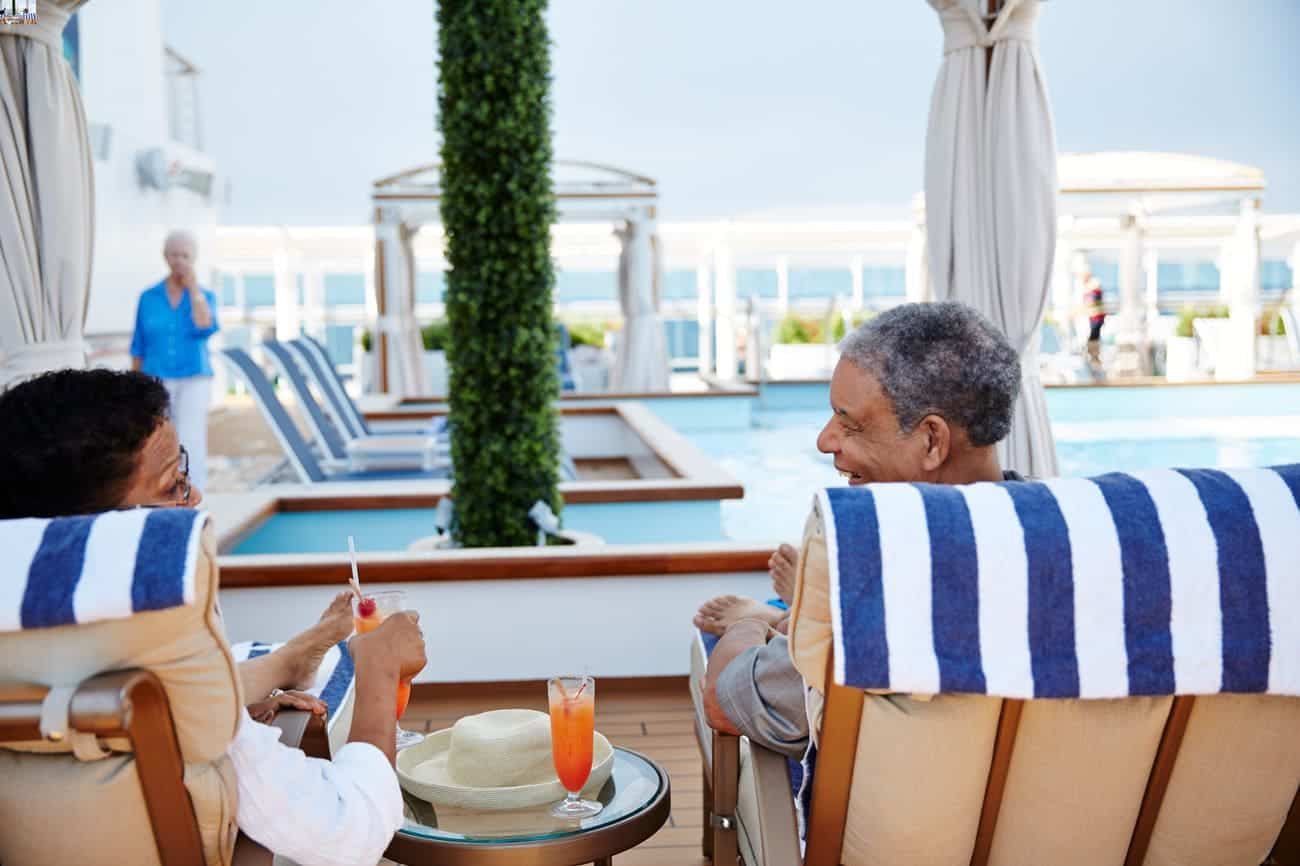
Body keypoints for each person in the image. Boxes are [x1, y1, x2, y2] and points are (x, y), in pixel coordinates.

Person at [0, 368, 421, 866]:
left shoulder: (30, 644)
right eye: (174, 484)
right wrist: (378, 671)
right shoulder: (145, 628)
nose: (195, 498)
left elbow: (166, 698)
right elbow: (347, 833)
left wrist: (289, 660)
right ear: (103, 534)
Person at [694, 302, 1025, 758]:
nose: (825, 440)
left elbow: (725, 699)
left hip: (907, 823)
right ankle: (795, 616)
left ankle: (793, 618)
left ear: (931, 440)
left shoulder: (884, 586)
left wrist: (750, 627)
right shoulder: (1083, 553)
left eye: (849, 423)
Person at [130, 229, 220, 491]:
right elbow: (139, 343)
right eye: (174, 254)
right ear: (165, 256)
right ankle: (161, 491)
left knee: (191, 436)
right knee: (159, 438)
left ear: (194, 258)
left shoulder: (204, 296)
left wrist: (193, 289)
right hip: (156, 375)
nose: (179, 260)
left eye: (185, 255)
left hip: (194, 376)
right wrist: (135, 384)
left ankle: (193, 491)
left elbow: (205, 325)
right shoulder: (148, 297)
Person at [1082, 270, 1105, 371]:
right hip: (1095, 318)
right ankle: (1094, 359)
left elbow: (1092, 304)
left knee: (1093, 339)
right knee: (1093, 339)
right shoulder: (1092, 288)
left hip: (1096, 318)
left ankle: (1094, 360)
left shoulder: (1093, 288)